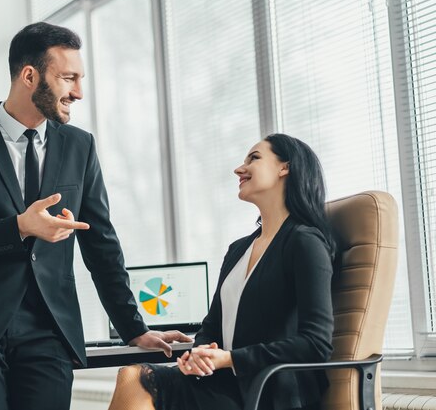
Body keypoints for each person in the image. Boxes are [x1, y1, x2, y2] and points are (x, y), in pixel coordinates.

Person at [0, 22, 190, 410]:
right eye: (68, 78)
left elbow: (101, 244)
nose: (78, 92)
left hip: (49, 331)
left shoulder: (80, 146)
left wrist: (133, 329)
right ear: (29, 76)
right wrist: (18, 227)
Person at [108, 134, 336, 410]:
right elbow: (212, 326)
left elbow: (316, 344)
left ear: (284, 167)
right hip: (225, 382)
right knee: (131, 376)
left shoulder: (304, 242)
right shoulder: (239, 249)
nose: (239, 169)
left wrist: (229, 359)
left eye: (254, 158)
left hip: (271, 389)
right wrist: (198, 354)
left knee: (136, 378)